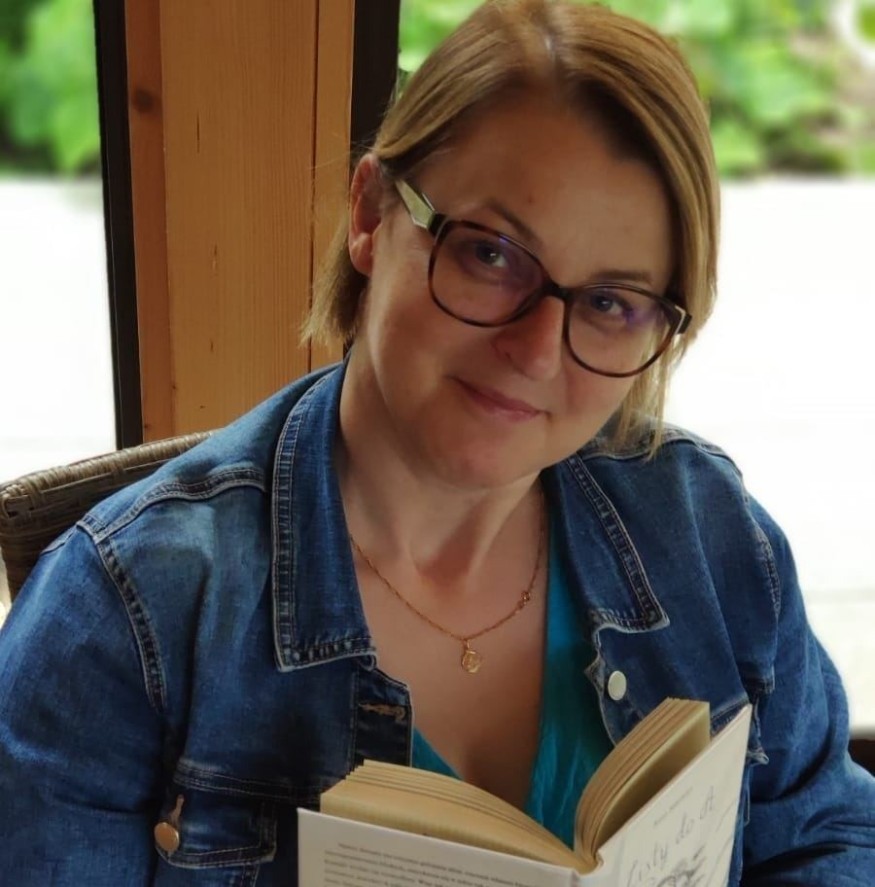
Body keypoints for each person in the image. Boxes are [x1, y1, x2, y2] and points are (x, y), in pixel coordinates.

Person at [0, 0, 873, 883]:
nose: (535, 352)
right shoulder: (126, 617)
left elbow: (826, 833)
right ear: (371, 213)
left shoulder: (709, 534)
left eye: (610, 302)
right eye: (490, 254)